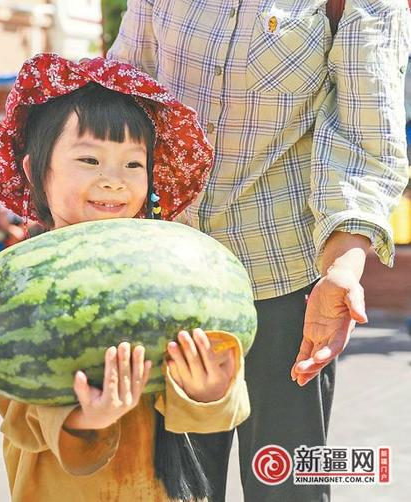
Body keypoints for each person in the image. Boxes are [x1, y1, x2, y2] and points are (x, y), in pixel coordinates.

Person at [107, 1, 411, 500]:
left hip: (286, 294)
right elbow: (123, 88)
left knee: (285, 486)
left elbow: (365, 143)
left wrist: (342, 268)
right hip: (163, 275)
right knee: (167, 489)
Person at [0, 53, 250, 501]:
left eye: (132, 164)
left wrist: (209, 391)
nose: (114, 181)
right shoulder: (16, 281)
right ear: (34, 170)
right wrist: (86, 418)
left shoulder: (173, 265)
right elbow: (16, 411)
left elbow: (219, 411)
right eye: (89, 159)